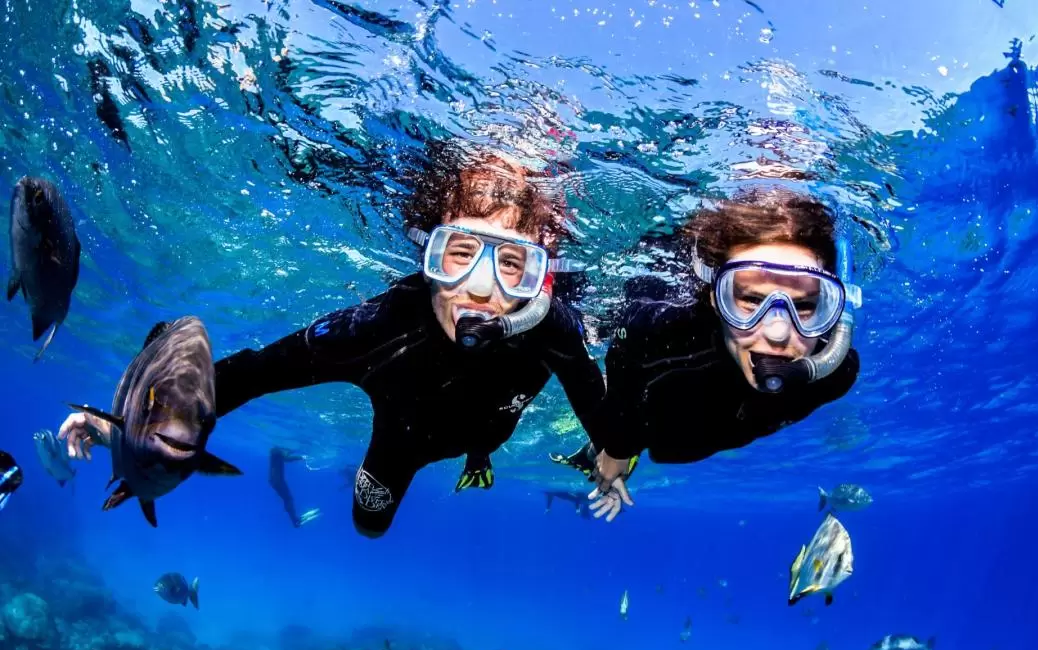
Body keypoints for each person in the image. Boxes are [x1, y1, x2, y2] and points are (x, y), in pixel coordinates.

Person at [59, 144, 606, 538]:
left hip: (489, 432)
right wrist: (123, 431)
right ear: (428, 255)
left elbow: (603, 410)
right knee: (369, 526)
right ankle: (473, 457)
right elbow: (251, 374)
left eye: (512, 264)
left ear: (542, 274)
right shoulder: (381, 328)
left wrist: (616, 456)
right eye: (459, 253)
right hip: (405, 443)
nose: (483, 289)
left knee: (484, 443)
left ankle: (479, 456)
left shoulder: (550, 325)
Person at [552, 187, 862, 522]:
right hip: (653, 412)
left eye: (803, 306)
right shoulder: (660, 330)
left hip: (691, 432)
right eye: (750, 301)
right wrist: (617, 449)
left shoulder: (835, 374)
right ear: (716, 298)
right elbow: (623, 360)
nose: (777, 334)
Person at [269, 447, 319, 528]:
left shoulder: (275, 451)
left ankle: (294, 519)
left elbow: (284, 457)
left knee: (287, 499)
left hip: (274, 481)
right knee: (288, 499)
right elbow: (287, 459)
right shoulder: (277, 451)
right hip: (278, 481)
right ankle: (295, 521)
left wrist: (290, 451)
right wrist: (301, 457)